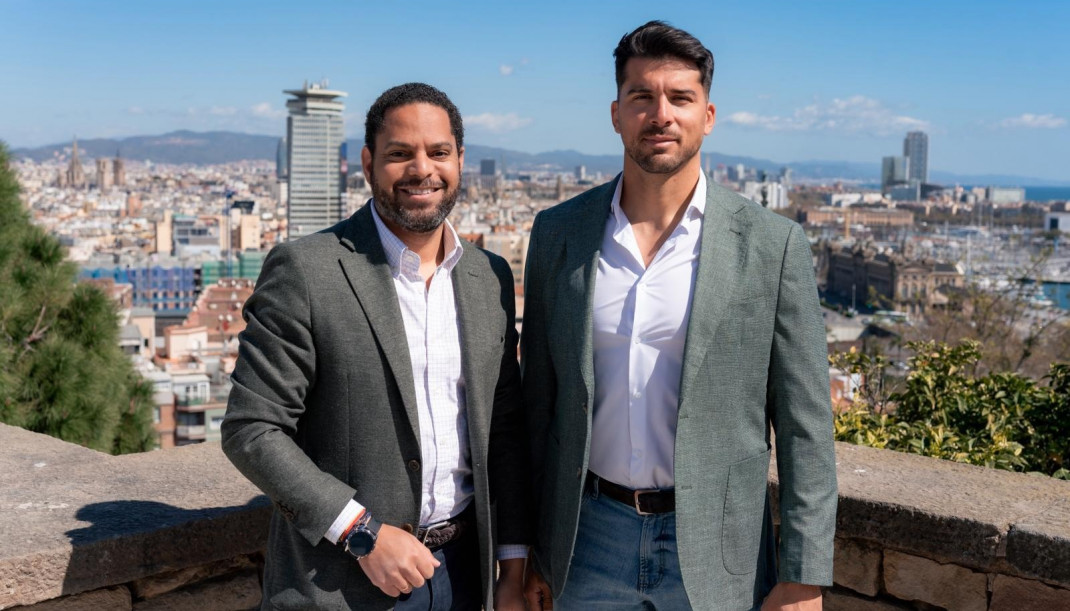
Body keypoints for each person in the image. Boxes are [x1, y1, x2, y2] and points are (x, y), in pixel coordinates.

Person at [521, 21, 837, 611]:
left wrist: (803, 575)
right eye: (642, 97)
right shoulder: (559, 234)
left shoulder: (772, 245)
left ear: (708, 115)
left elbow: (805, 427)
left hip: (718, 551)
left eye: (680, 98)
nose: (660, 114)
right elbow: (539, 405)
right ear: (616, 114)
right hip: (583, 542)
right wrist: (532, 551)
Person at [222, 82, 530, 610]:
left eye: (438, 152)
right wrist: (360, 533)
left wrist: (514, 565)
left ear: (460, 160)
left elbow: (502, 428)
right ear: (367, 163)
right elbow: (252, 427)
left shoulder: (487, 276)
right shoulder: (308, 270)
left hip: (463, 575)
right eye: (399, 154)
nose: (421, 170)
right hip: (341, 582)